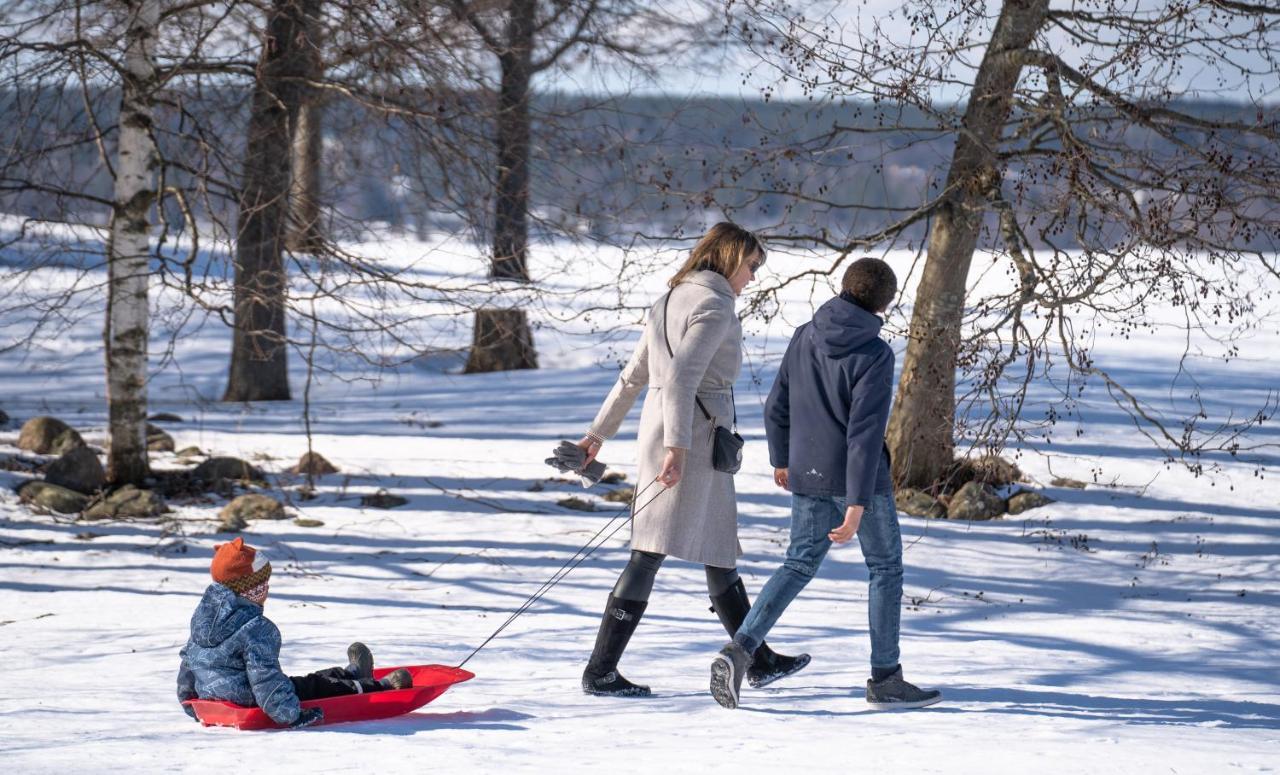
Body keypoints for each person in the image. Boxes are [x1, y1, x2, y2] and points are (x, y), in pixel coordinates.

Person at [576, 222, 808, 697]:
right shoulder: (715, 303)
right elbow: (681, 379)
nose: (752, 278)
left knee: (715, 548)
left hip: (666, 430)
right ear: (728, 258)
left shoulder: (668, 299)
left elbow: (632, 377)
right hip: (694, 438)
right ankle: (600, 671)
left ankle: (756, 657)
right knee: (652, 552)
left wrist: (596, 435)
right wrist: (678, 450)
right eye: (751, 266)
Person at [709, 257, 942, 710]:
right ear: (885, 303)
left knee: (797, 564)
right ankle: (886, 678)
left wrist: (782, 459)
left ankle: (740, 651)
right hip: (861, 483)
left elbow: (777, 405)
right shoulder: (875, 353)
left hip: (807, 472)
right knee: (886, 569)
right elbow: (864, 433)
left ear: (845, 288)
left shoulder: (804, 335)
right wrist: (856, 502)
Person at [177, 537, 413, 727]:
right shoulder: (257, 629)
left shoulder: (202, 619)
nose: (267, 589)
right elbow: (264, 678)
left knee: (302, 683)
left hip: (213, 698)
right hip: (252, 700)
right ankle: (381, 687)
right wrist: (291, 716)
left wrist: (192, 703)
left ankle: (351, 672)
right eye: (263, 584)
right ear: (251, 590)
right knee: (315, 689)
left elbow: (189, 663)